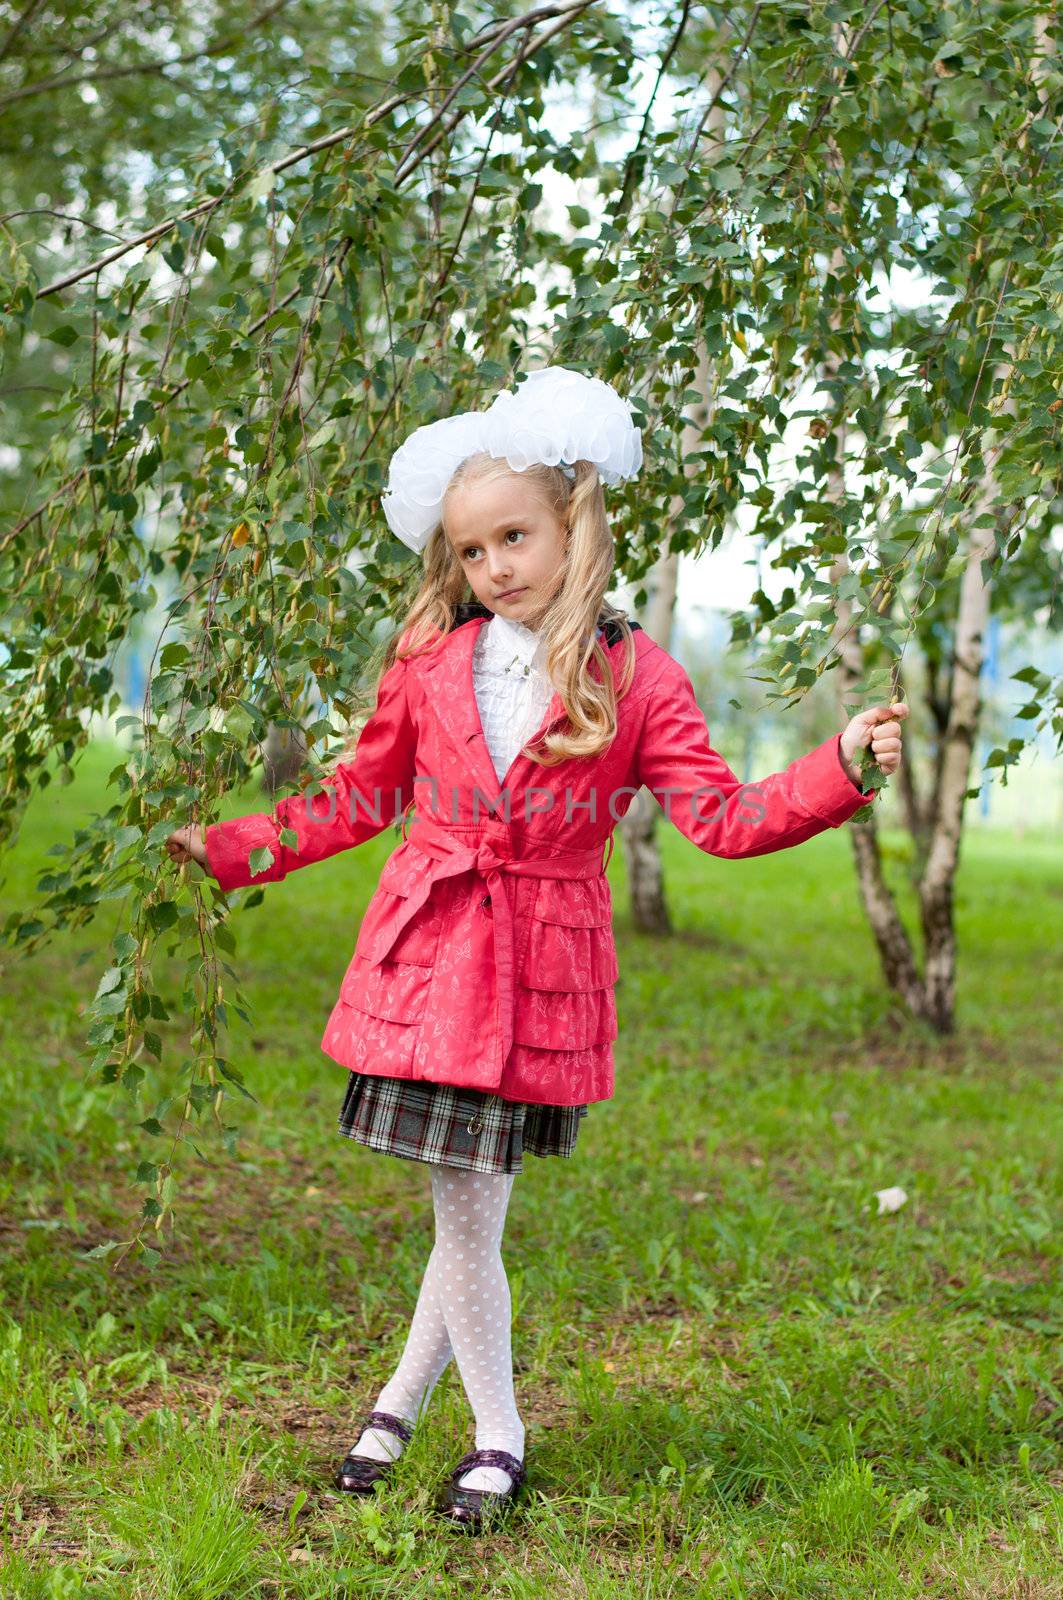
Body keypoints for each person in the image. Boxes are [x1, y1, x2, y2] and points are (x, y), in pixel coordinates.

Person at [166, 365, 908, 1535]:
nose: (495, 566)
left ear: (575, 525)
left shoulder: (639, 675)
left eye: (515, 536)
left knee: (468, 1207)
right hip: (433, 953)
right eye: (470, 551)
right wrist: (227, 850)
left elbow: (720, 819)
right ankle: (446, 1414)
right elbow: (354, 800)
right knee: (465, 1205)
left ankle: (469, 1424)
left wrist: (840, 770)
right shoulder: (427, 661)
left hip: (540, 966)